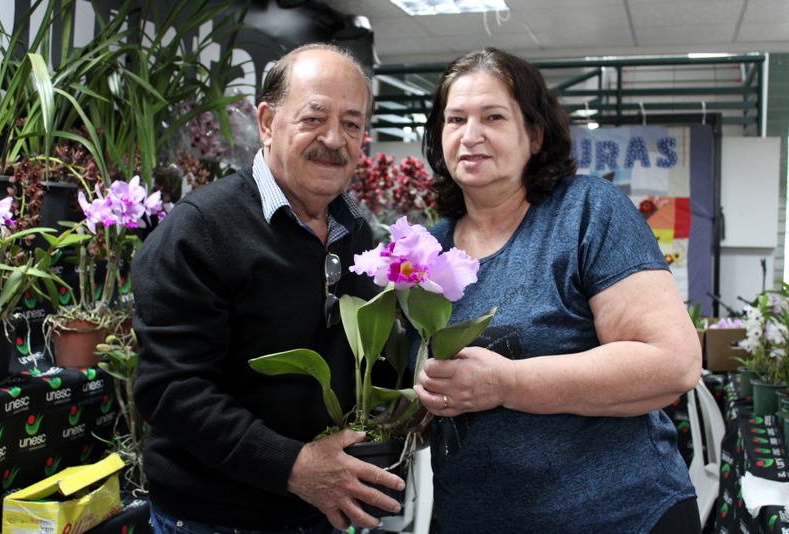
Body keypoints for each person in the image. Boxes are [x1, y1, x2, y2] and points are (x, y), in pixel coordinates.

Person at [412, 47, 703, 534]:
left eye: (493, 117)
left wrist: (506, 384)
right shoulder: (428, 250)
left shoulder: (587, 212)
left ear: (535, 134)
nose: (470, 135)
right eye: (455, 119)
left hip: (619, 517)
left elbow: (673, 364)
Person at [132, 43, 405, 534]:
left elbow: (365, 358)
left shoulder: (355, 234)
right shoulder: (200, 231)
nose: (334, 139)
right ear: (266, 122)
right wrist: (293, 466)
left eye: (352, 123)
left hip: (322, 509)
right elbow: (171, 389)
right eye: (313, 118)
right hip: (218, 517)